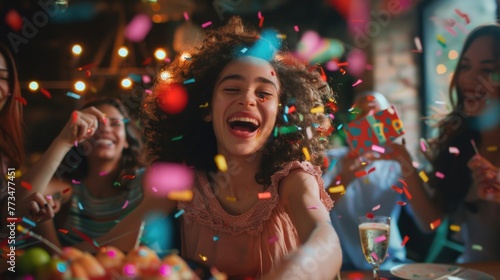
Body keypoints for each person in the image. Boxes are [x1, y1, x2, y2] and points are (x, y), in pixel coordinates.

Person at [88, 16, 342, 279]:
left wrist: (295, 272)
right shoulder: (183, 185)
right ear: (207, 109)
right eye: (232, 89)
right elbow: (103, 250)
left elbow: (325, 240)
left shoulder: (293, 180)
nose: (247, 99)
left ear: (279, 116)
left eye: (263, 94)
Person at [391, 24, 500, 263]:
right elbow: (431, 222)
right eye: (465, 66)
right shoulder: (460, 142)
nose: (471, 77)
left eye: (488, 69)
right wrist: (404, 162)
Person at [18, 97, 145, 248]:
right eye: (97, 124)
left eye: (115, 123)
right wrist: (64, 140)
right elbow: (16, 202)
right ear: (82, 140)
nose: (105, 129)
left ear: (127, 141)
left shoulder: (145, 181)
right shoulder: (66, 188)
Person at [323, 91, 412, 270]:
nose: (368, 120)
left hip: (390, 263)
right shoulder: (331, 160)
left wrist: (407, 164)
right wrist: (345, 178)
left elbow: (428, 224)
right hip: (341, 265)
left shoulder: (397, 165)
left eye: (375, 113)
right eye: (359, 114)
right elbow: (316, 212)